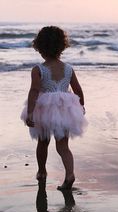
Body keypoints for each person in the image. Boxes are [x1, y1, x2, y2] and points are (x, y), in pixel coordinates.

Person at [21, 26, 87, 190]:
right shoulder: (69, 69)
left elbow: (34, 91)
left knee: (43, 142)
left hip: (44, 110)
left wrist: (30, 112)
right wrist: (81, 107)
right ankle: (69, 174)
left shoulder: (38, 69)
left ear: (40, 47)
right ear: (62, 47)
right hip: (65, 110)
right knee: (63, 147)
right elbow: (78, 91)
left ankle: (42, 172)